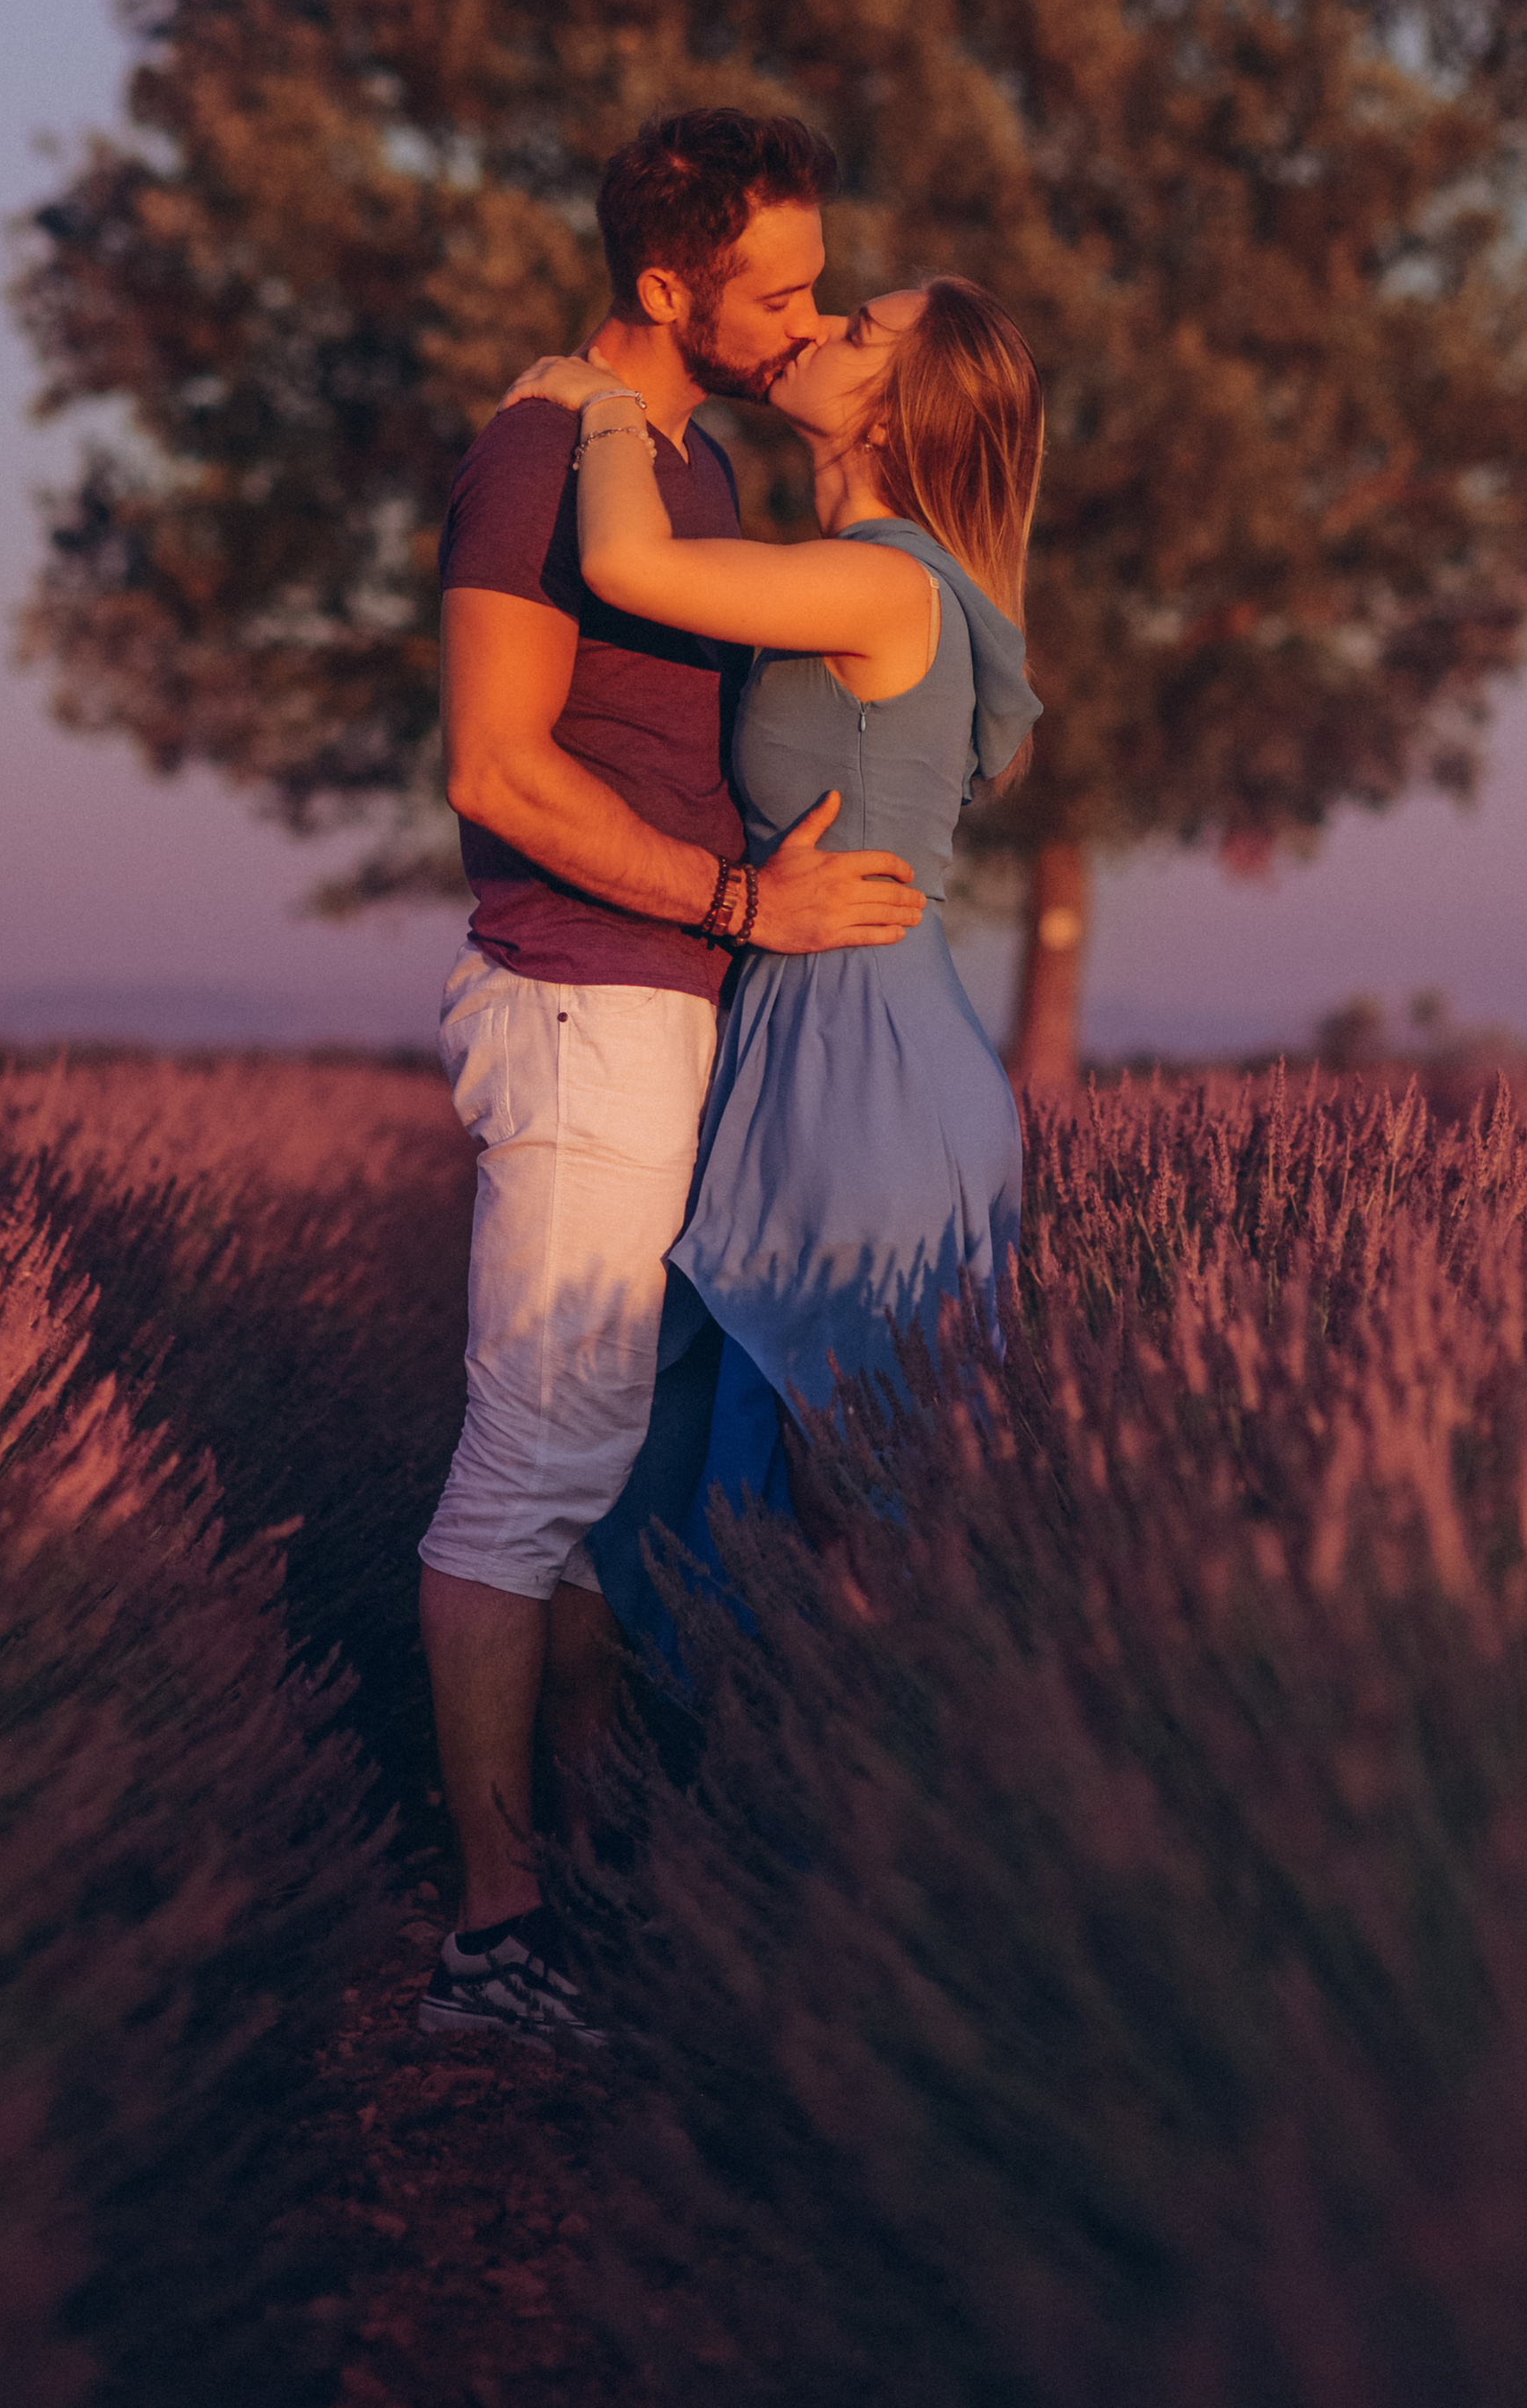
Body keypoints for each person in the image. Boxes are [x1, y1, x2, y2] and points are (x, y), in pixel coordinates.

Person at [418, 107, 930, 2049]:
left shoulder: (682, 457)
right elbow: (496, 767)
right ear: (664, 285)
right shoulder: (542, 454)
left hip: (671, 1009)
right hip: (583, 1004)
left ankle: (586, 1865)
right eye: (774, 286)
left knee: (603, 1470)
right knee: (531, 1466)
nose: (803, 312)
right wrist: (737, 898)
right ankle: (492, 1939)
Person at [498, 275, 1044, 1668]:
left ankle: (853, 1855)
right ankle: (720, 1838)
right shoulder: (862, 569)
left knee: (853, 1528)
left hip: (866, 1076)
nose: (819, 326)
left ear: (901, 404)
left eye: (859, 330)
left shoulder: (880, 580)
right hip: (827, 1043)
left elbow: (626, 567)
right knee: (782, 1506)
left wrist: (603, 392)